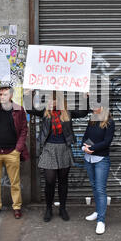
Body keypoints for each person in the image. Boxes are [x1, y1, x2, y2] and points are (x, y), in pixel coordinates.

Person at [24, 90, 89, 222]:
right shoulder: (45, 112)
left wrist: (85, 98)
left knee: (63, 181)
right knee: (50, 180)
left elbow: (83, 113)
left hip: (64, 148)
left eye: (55, 99)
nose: (52, 102)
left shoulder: (67, 112)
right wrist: (28, 95)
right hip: (49, 148)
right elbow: (30, 109)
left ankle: (63, 208)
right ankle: (48, 208)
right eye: (50, 99)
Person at [0, 86, 29, 219]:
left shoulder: (19, 110)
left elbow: (24, 130)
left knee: (15, 182)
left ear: (11, 96)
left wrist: (18, 149)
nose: (2, 97)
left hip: (12, 152)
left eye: (5, 94)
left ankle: (17, 207)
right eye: (0, 94)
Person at [82, 106, 115, 235]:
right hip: (88, 158)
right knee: (94, 186)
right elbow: (85, 136)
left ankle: (101, 221)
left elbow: (107, 142)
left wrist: (93, 148)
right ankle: (97, 211)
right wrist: (83, 146)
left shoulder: (109, 122)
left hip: (101, 159)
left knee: (100, 189)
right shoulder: (92, 120)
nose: (92, 107)